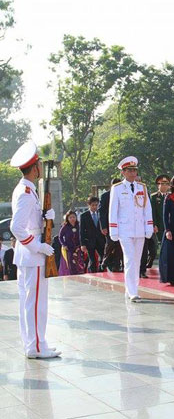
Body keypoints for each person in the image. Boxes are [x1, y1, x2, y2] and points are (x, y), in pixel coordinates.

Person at [9, 141, 60, 358]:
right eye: (39, 164)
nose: (40, 168)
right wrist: (38, 245)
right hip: (32, 254)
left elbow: (28, 221)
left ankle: (35, 343)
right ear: (35, 167)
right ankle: (36, 347)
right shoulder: (25, 192)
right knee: (36, 302)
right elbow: (16, 227)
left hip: (27, 255)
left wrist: (44, 217)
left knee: (29, 303)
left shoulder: (27, 189)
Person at [108, 156, 154, 302]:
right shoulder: (117, 188)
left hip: (139, 228)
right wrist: (113, 230)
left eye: (135, 170)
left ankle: (131, 289)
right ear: (123, 172)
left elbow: (147, 209)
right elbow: (113, 210)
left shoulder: (142, 187)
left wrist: (149, 226)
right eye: (130, 170)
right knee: (129, 259)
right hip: (125, 229)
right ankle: (133, 291)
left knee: (137, 260)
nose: (133, 173)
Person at [100, 178, 123, 272]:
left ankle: (117, 265)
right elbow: (102, 212)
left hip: (121, 224)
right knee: (110, 243)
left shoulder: (123, 194)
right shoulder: (105, 196)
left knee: (119, 245)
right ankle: (105, 261)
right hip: (109, 225)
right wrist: (103, 226)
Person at [80, 196, 105, 272]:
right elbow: (81, 231)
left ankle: (101, 273)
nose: (95, 207)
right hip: (90, 241)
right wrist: (82, 244)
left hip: (101, 240)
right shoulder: (84, 216)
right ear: (89, 205)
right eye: (93, 205)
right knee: (92, 260)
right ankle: (92, 274)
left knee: (103, 258)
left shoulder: (101, 213)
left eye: (96, 205)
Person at [58, 210, 85, 276]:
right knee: (71, 264)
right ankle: (73, 277)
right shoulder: (65, 227)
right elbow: (60, 237)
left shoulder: (79, 225)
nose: (72, 219)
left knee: (80, 263)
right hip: (69, 249)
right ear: (67, 218)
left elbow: (83, 234)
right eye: (70, 217)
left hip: (78, 248)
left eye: (74, 217)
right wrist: (64, 245)